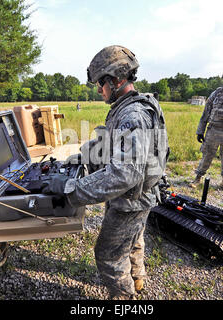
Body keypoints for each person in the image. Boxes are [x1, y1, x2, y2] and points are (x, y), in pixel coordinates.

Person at [41, 45, 169, 299]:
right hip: (140, 195)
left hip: (130, 200)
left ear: (117, 79)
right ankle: (138, 278)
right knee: (133, 238)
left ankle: (125, 298)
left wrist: (70, 190)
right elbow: (112, 146)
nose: (99, 89)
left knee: (108, 255)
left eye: (101, 83)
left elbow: (123, 175)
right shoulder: (130, 106)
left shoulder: (133, 115)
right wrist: (82, 158)